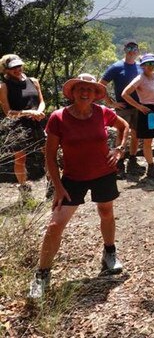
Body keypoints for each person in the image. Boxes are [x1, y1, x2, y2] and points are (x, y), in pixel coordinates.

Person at [28, 74, 129, 299]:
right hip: (73, 178)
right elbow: (50, 156)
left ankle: (109, 253)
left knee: (106, 212)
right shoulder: (58, 117)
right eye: (81, 88)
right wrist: (58, 187)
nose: (85, 92)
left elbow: (124, 126)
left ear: (95, 94)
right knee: (55, 224)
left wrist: (120, 149)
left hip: (103, 173)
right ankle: (42, 274)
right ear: (73, 92)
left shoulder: (103, 112)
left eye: (90, 89)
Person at [0, 54, 46, 203]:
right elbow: (8, 112)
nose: (17, 69)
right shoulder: (3, 86)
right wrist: (29, 113)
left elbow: (42, 101)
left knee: (48, 153)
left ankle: (53, 186)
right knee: (20, 158)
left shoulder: (33, 81)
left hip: (37, 122)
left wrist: (39, 111)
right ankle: (24, 190)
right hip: (18, 126)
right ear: (5, 70)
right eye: (13, 68)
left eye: (18, 66)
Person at [121, 53, 154, 178]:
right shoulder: (140, 78)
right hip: (147, 111)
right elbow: (125, 94)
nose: (151, 66)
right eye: (148, 64)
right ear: (143, 66)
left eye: (153, 63)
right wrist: (139, 106)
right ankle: (151, 167)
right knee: (147, 141)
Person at [100, 41, 143, 175]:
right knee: (121, 133)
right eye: (129, 48)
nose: (132, 51)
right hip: (123, 107)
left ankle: (132, 161)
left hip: (139, 106)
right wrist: (111, 103)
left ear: (138, 51)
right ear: (124, 50)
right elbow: (101, 85)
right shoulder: (116, 67)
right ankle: (119, 163)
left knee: (136, 134)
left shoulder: (140, 67)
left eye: (134, 48)